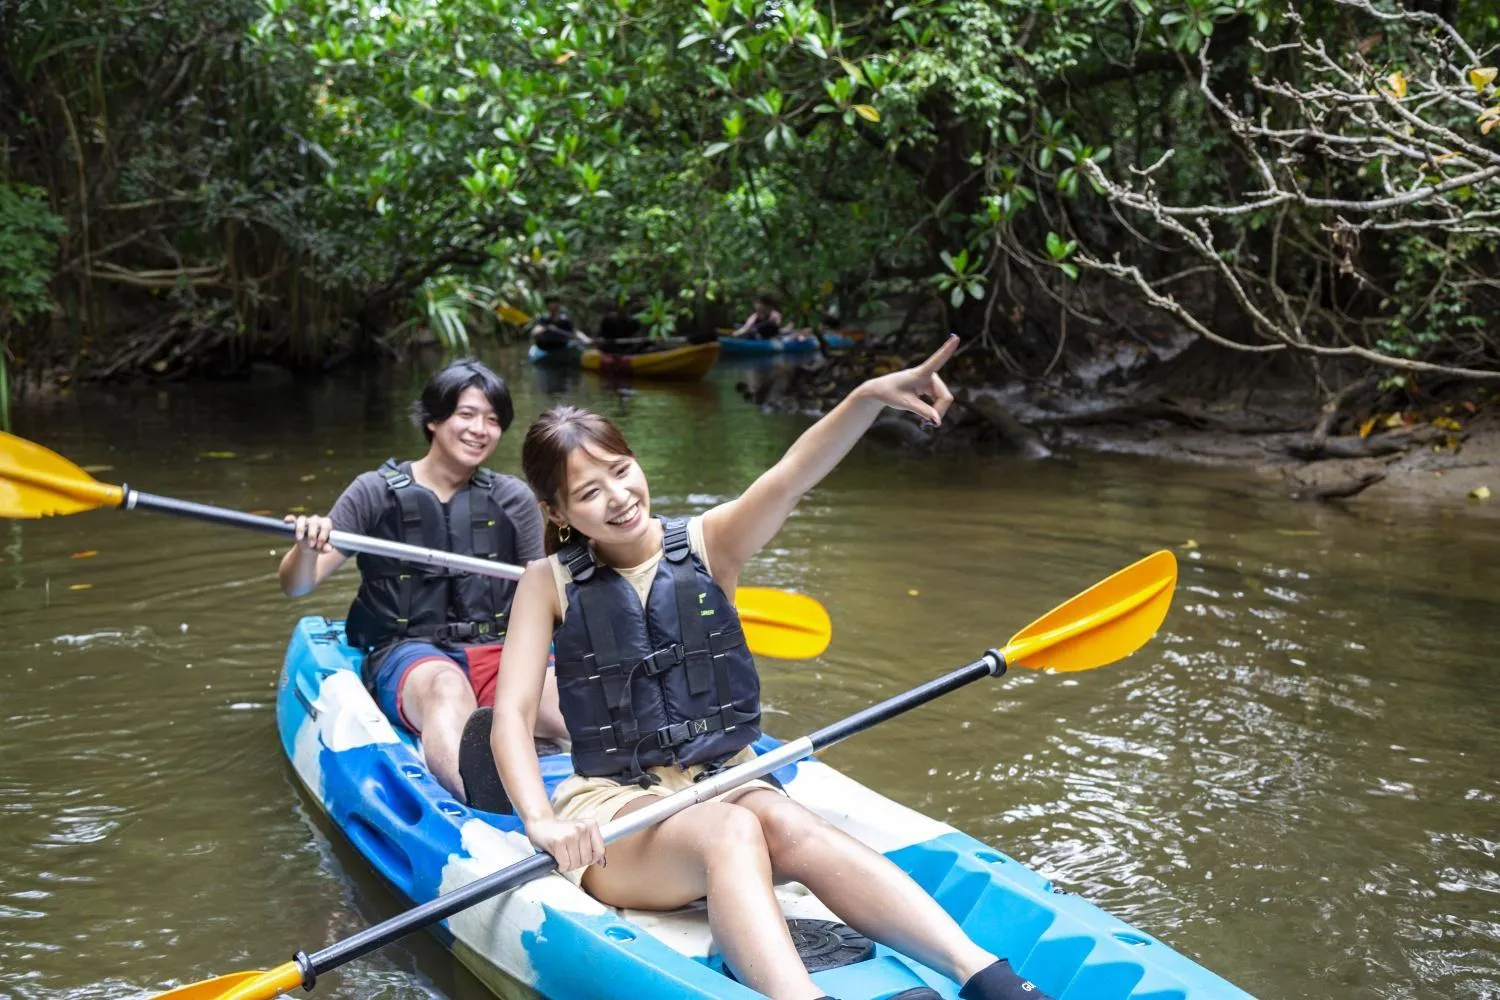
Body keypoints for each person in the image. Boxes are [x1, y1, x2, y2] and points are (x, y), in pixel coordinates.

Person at [489, 336, 1049, 1000]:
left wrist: (867, 397)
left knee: (782, 820)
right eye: (588, 492)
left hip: (726, 777)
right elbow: (514, 715)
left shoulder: (710, 543)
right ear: (557, 513)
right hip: (621, 816)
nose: (617, 496)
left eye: (620, 469)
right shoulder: (544, 582)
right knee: (733, 829)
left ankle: (980, 972)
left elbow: (791, 475)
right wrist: (541, 821)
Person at [279, 359, 567, 801]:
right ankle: (481, 796)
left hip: (498, 649)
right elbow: (297, 584)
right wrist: (306, 548)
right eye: (466, 414)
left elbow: (545, 591)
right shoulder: (374, 491)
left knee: (563, 699)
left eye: (493, 420)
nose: (480, 430)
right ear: (433, 420)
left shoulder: (512, 498)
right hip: (409, 653)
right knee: (446, 689)